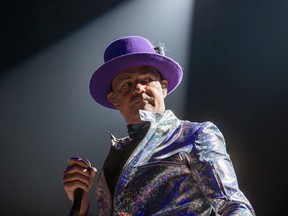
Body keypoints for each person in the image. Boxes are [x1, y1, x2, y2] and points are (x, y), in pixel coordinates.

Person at [63, 36, 256, 216]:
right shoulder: (112, 161)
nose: (138, 88)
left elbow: (235, 206)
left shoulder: (194, 135)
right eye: (126, 85)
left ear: (163, 87)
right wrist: (80, 208)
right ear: (114, 99)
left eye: (146, 79)